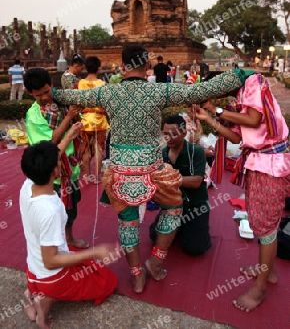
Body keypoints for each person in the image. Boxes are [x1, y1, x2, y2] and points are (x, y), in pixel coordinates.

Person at [52, 43, 250, 293]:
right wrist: (242, 75)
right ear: (147, 67)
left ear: (122, 67)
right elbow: (202, 90)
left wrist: (49, 93)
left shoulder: (105, 93)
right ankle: (155, 262)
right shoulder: (159, 92)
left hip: (120, 173)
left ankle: (136, 275)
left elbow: (68, 96)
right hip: (153, 171)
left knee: (127, 223)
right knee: (174, 208)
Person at [195, 72, 290, 312]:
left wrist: (216, 111)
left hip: (271, 164)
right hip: (261, 163)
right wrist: (209, 117)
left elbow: (255, 119)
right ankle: (267, 271)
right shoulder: (238, 99)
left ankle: (259, 288)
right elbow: (238, 136)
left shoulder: (252, 81)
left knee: (266, 226)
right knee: (263, 222)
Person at [19, 126, 117, 329]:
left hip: (32, 268)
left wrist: (69, 137)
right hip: (51, 277)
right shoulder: (50, 209)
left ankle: (31, 292)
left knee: (84, 263)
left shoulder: (28, 185)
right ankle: (43, 303)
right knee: (106, 282)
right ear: (56, 171)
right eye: (58, 162)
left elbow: (51, 156)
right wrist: (95, 251)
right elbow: (51, 260)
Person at [24, 68, 88, 249]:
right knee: (55, 211)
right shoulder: (34, 115)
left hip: (71, 168)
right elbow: (50, 143)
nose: (45, 97)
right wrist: (68, 117)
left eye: (47, 91)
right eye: (39, 95)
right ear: (30, 93)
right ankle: (55, 245)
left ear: (52, 85)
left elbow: (78, 121)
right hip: (52, 172)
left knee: (70, 208)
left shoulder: (61, 102)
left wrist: (75, 112)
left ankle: (68, 238)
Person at [149, 114, 211, 255]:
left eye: (173, 134)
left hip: (195, 206)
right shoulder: (162, 154)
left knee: (195, 248)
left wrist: (170, 179)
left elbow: (196, 182)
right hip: (172, 205)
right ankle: (179, 225)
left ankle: (188, 226)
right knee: (153, 236)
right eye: (165, 134)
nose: (168, 138)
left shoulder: (196, 151)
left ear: (184, 133)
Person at [77, 56, 110, 183]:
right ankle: (96, 177)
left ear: (85, 67)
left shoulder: (79, 84)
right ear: (99, 68)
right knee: (99, 149)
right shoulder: (102, 84)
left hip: (85, 120)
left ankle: (87, 174)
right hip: (99, 120)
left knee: (85, 148)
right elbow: (106, 105)